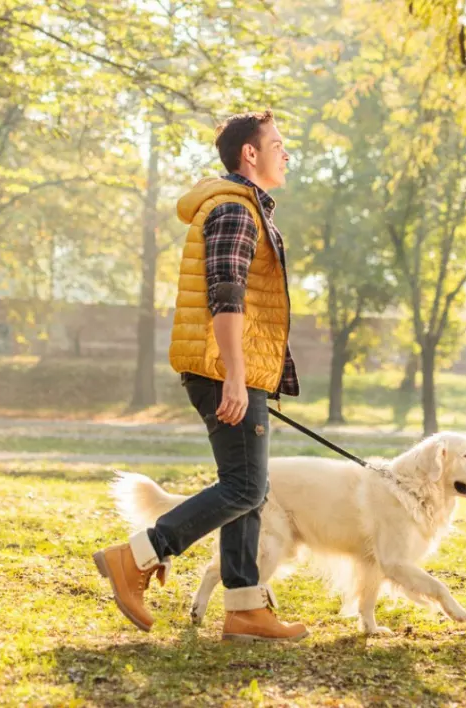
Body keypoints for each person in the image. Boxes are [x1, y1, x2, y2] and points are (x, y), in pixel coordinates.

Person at [92, 110, 307, 642]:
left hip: (237, 370)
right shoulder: (235, 209)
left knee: (250, 490)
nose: (286, 153)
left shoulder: (246, 207)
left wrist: (255, 373)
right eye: (277, 144)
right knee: (246, 486)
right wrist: (236, 375)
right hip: (222, 370)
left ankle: (244, 608)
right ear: (249, 154)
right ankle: (137, 555)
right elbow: (226, 292)